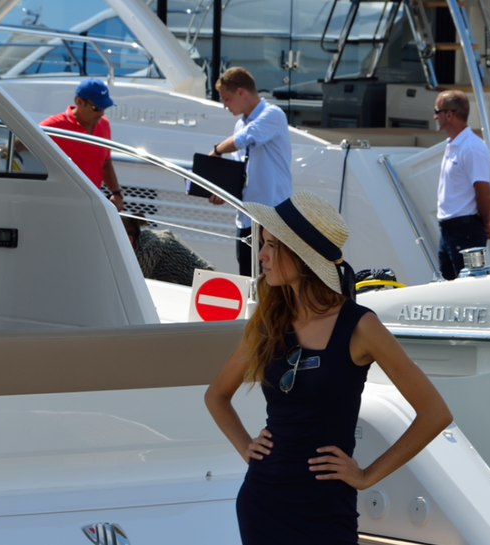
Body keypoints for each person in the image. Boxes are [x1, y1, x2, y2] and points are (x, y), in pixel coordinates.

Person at [205, 192, 453, 545]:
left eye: (272, 246)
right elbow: (216, 395)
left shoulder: (361, 327)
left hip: (325, 509)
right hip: (263, 500)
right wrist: (246, 446)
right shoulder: (269, 321)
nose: (261, 256)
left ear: (301, 256)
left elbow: (435, 413)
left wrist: (367, 475)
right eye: (263, 244)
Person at [208, 67, 292, 276]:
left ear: (241, 93)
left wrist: (217, 150)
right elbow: (239, 169)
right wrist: (225, 193)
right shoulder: (240, 124)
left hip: (272, 217)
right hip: (246, 216)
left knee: (270, 280)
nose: (225, 106)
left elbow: (246, 139)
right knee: (247, 279)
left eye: (227, 99)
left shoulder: (272, 114)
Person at [434, 89, 490, 280]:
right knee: (450, 283)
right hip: (450, 229)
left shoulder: (471, 147)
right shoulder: (455, 145)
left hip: (465, 231)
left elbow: (483, 191)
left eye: (437, 111)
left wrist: (486, 220)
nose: (435, 116)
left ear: (449, 114)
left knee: (466, 286)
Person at [41, 78, 125, 211]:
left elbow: (106, 163)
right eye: (96, 108)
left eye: (104, 107)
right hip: (60, 204)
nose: (101, 113)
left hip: (91, 203)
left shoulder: (104, 124)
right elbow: (20, 144)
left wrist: (116, 193)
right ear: (79, 102)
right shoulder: (54, 126)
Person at [121, 215, 213, 286]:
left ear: (129, 239)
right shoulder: (148, 238)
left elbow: (132, 281)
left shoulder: (151, 247)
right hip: (202, 283)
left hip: (205, 285)